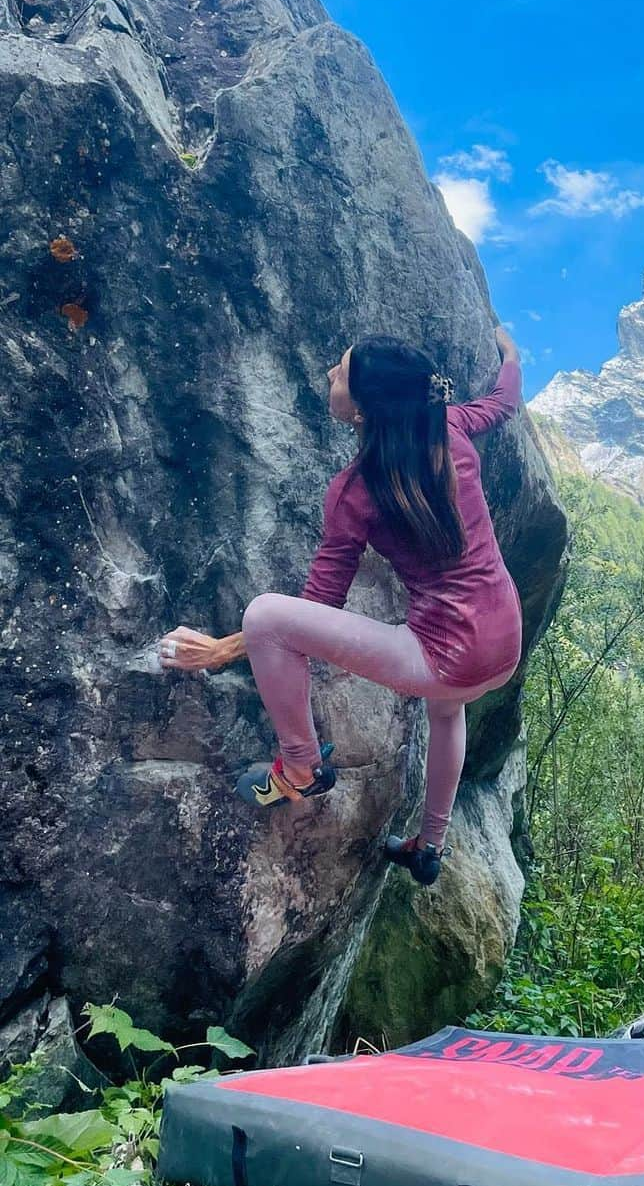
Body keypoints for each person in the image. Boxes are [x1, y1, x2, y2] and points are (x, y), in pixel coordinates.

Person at [158, 326, 524, 885]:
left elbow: (311, 609)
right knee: (448, 710)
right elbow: (502, 401)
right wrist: (510, 355)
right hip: (504, 643)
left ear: (363, 413)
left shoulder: (356, 492)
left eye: (341, 373)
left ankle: (299, 768)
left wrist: (221, 650)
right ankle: (430, 843)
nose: (330, 374)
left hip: (445, 657)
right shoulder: (449, 428)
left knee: (264, 615)